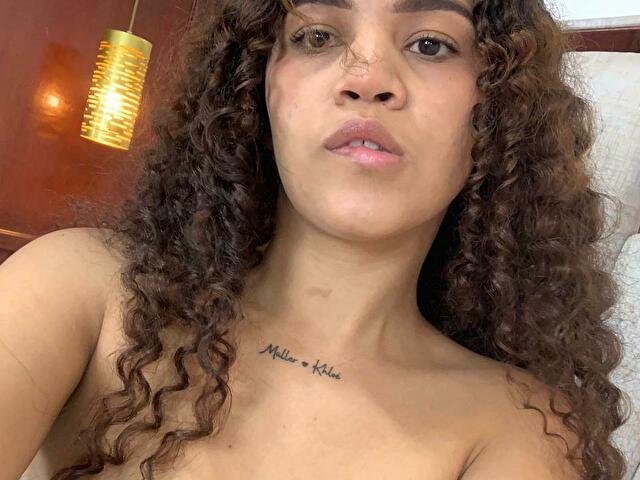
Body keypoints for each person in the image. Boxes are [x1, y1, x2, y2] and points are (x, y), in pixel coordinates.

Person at [1, 0, 631, 478]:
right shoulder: (82, 289)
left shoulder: (524, 427)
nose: (368, 77)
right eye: (318, 36)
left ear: (499, 111)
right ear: (258, 86)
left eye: (431, 44)